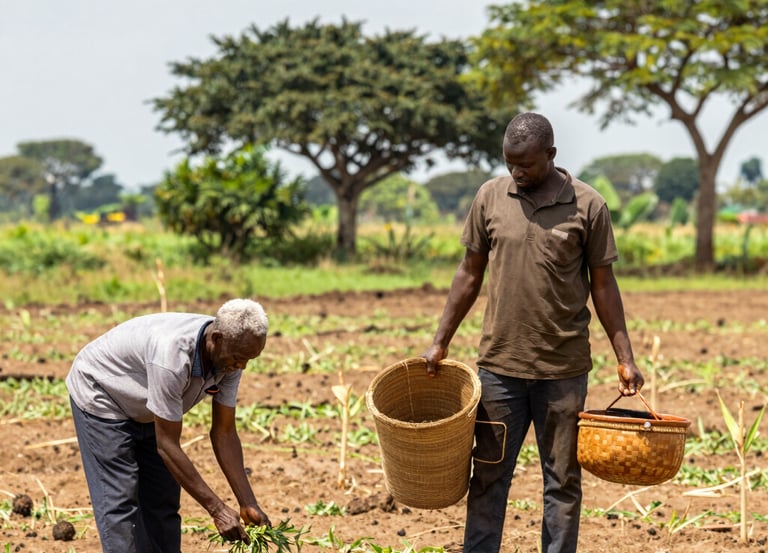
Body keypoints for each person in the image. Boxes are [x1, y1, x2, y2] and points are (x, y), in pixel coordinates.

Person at [423, 112, 644, 553]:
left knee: (562, 481)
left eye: (525, 164)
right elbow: (469, 273)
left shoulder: (587, 205)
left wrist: (625, 356)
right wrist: (440, 339)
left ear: (551, 155)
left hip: (563, 372)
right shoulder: (489, 197)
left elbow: (603, 286)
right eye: (509, 163)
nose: (516, 173)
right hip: (499, 371)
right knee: (487, 476)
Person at [66, 298, 272, 553]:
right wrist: (217, 510)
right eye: (239, 358)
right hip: (103, 393)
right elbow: (166, 444)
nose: (242, 366)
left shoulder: (231, 355)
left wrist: (247, 502)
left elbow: (225, 432)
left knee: (162, 497)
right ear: (216, 338)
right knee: (120, 502)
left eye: (250, 359)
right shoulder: (171, 357)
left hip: (148, 405)